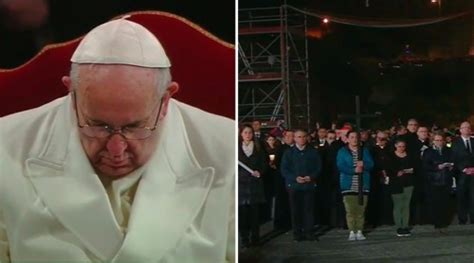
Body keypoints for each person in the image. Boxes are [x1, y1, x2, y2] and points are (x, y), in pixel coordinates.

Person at [0, 19, 235, 262]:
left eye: (134, 127)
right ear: (72, 94)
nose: (116, 149)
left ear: (165, 101)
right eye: (98, 125)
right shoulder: (5, 146)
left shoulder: (224, 147)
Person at [281, 129, 321, 242]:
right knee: (295, 210)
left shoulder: (313, 152)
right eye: (299, 137)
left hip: (308, 185)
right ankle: (297, 233)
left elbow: (318, 167)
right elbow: (284, 169)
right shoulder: (288, 153)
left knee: (309, 210)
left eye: (303, 136)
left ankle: (309, 232)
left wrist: (311, 177)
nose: (301, 139)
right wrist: (295, 178)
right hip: (294, 186)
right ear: (294, 138)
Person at [336, 130, 374, 241]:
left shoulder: (364, 151)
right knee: (350, 210)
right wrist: (354, 170)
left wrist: (364, 165)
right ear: (347, 139)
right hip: (349, 184)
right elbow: (340, 165)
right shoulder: (342, 151)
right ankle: (352, 230)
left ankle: (360, 230)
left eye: (356, 137)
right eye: (352, 137)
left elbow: (371, 164)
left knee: (361, 210)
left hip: (363, 184)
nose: (354, 139)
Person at [238, 125, 266, 248]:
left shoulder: (259, 148)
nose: (248, 135)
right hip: (241, 185)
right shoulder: (236, 149)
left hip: (255, 185)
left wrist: (260, 172)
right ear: (241, 134)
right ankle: (244, 238)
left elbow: (264, 164)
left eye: (250, 132)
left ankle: (255, 238)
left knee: (255, 214)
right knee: (243, 214)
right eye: (245, 132)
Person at [422, 133, 454, 233]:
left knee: (445, 203)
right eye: (437, 140)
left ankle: (444, 223)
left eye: (441, 140)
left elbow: (453, 161)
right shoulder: (428, 151)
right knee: (436, 203)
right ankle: (437, 224)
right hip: (434, 181)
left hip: (446, 180)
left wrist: (451, 166)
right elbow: (425, 166)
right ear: (433, 141)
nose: (439, 142)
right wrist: (437, 167)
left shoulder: (448, 150)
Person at [387, 139, 417, 237]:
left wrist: (410, 171)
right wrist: (396, 173)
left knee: (406, 205)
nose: (402, 148)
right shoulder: (390, 156)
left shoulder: (410, 156)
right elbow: (388, 169)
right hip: (396, 184)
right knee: (398, 205)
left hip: (408, 183)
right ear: (395, 146)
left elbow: (415, 167)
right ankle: (399, 226)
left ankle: (405, 226)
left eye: (403, 146)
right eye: (399, 146)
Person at [452, 121, 474, 225]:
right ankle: (462, 219)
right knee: (461, 198)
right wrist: (463, 169)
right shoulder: (455, 143)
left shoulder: (473, 141)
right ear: (460, 130)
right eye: (464, 127)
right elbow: (454, 159)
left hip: (473, 174)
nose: (467, 129)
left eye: (469, 127)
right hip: (461, 175)